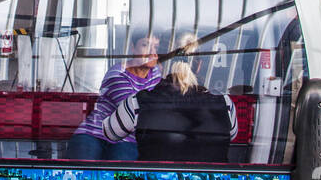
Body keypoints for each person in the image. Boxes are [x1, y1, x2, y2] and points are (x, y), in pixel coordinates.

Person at [101, 34, 237, 163]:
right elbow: (231, 135)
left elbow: (110, 132)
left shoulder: (137, 104)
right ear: (199, 65)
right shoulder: (225, 104)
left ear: (161, 64)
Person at [66, 29, 162, 160]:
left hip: (128, 139)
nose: (152, 52)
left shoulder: (156, 74)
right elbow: (130, 110)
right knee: (81, 172)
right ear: (133, 48)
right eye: (145, 45)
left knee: (120, 176)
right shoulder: (117, 74)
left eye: (155, 47)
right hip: (95, 133)